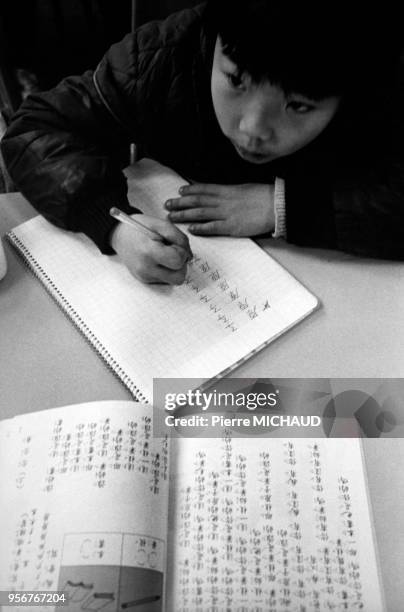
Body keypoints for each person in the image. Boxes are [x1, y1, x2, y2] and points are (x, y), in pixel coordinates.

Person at [2, 0, 404, 285]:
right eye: (235, 81)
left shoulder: (379, 87)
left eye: (298, 106)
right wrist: (111, 224)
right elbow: (37, 128)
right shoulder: (166, 55)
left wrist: (282, 206)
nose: (252, 128)